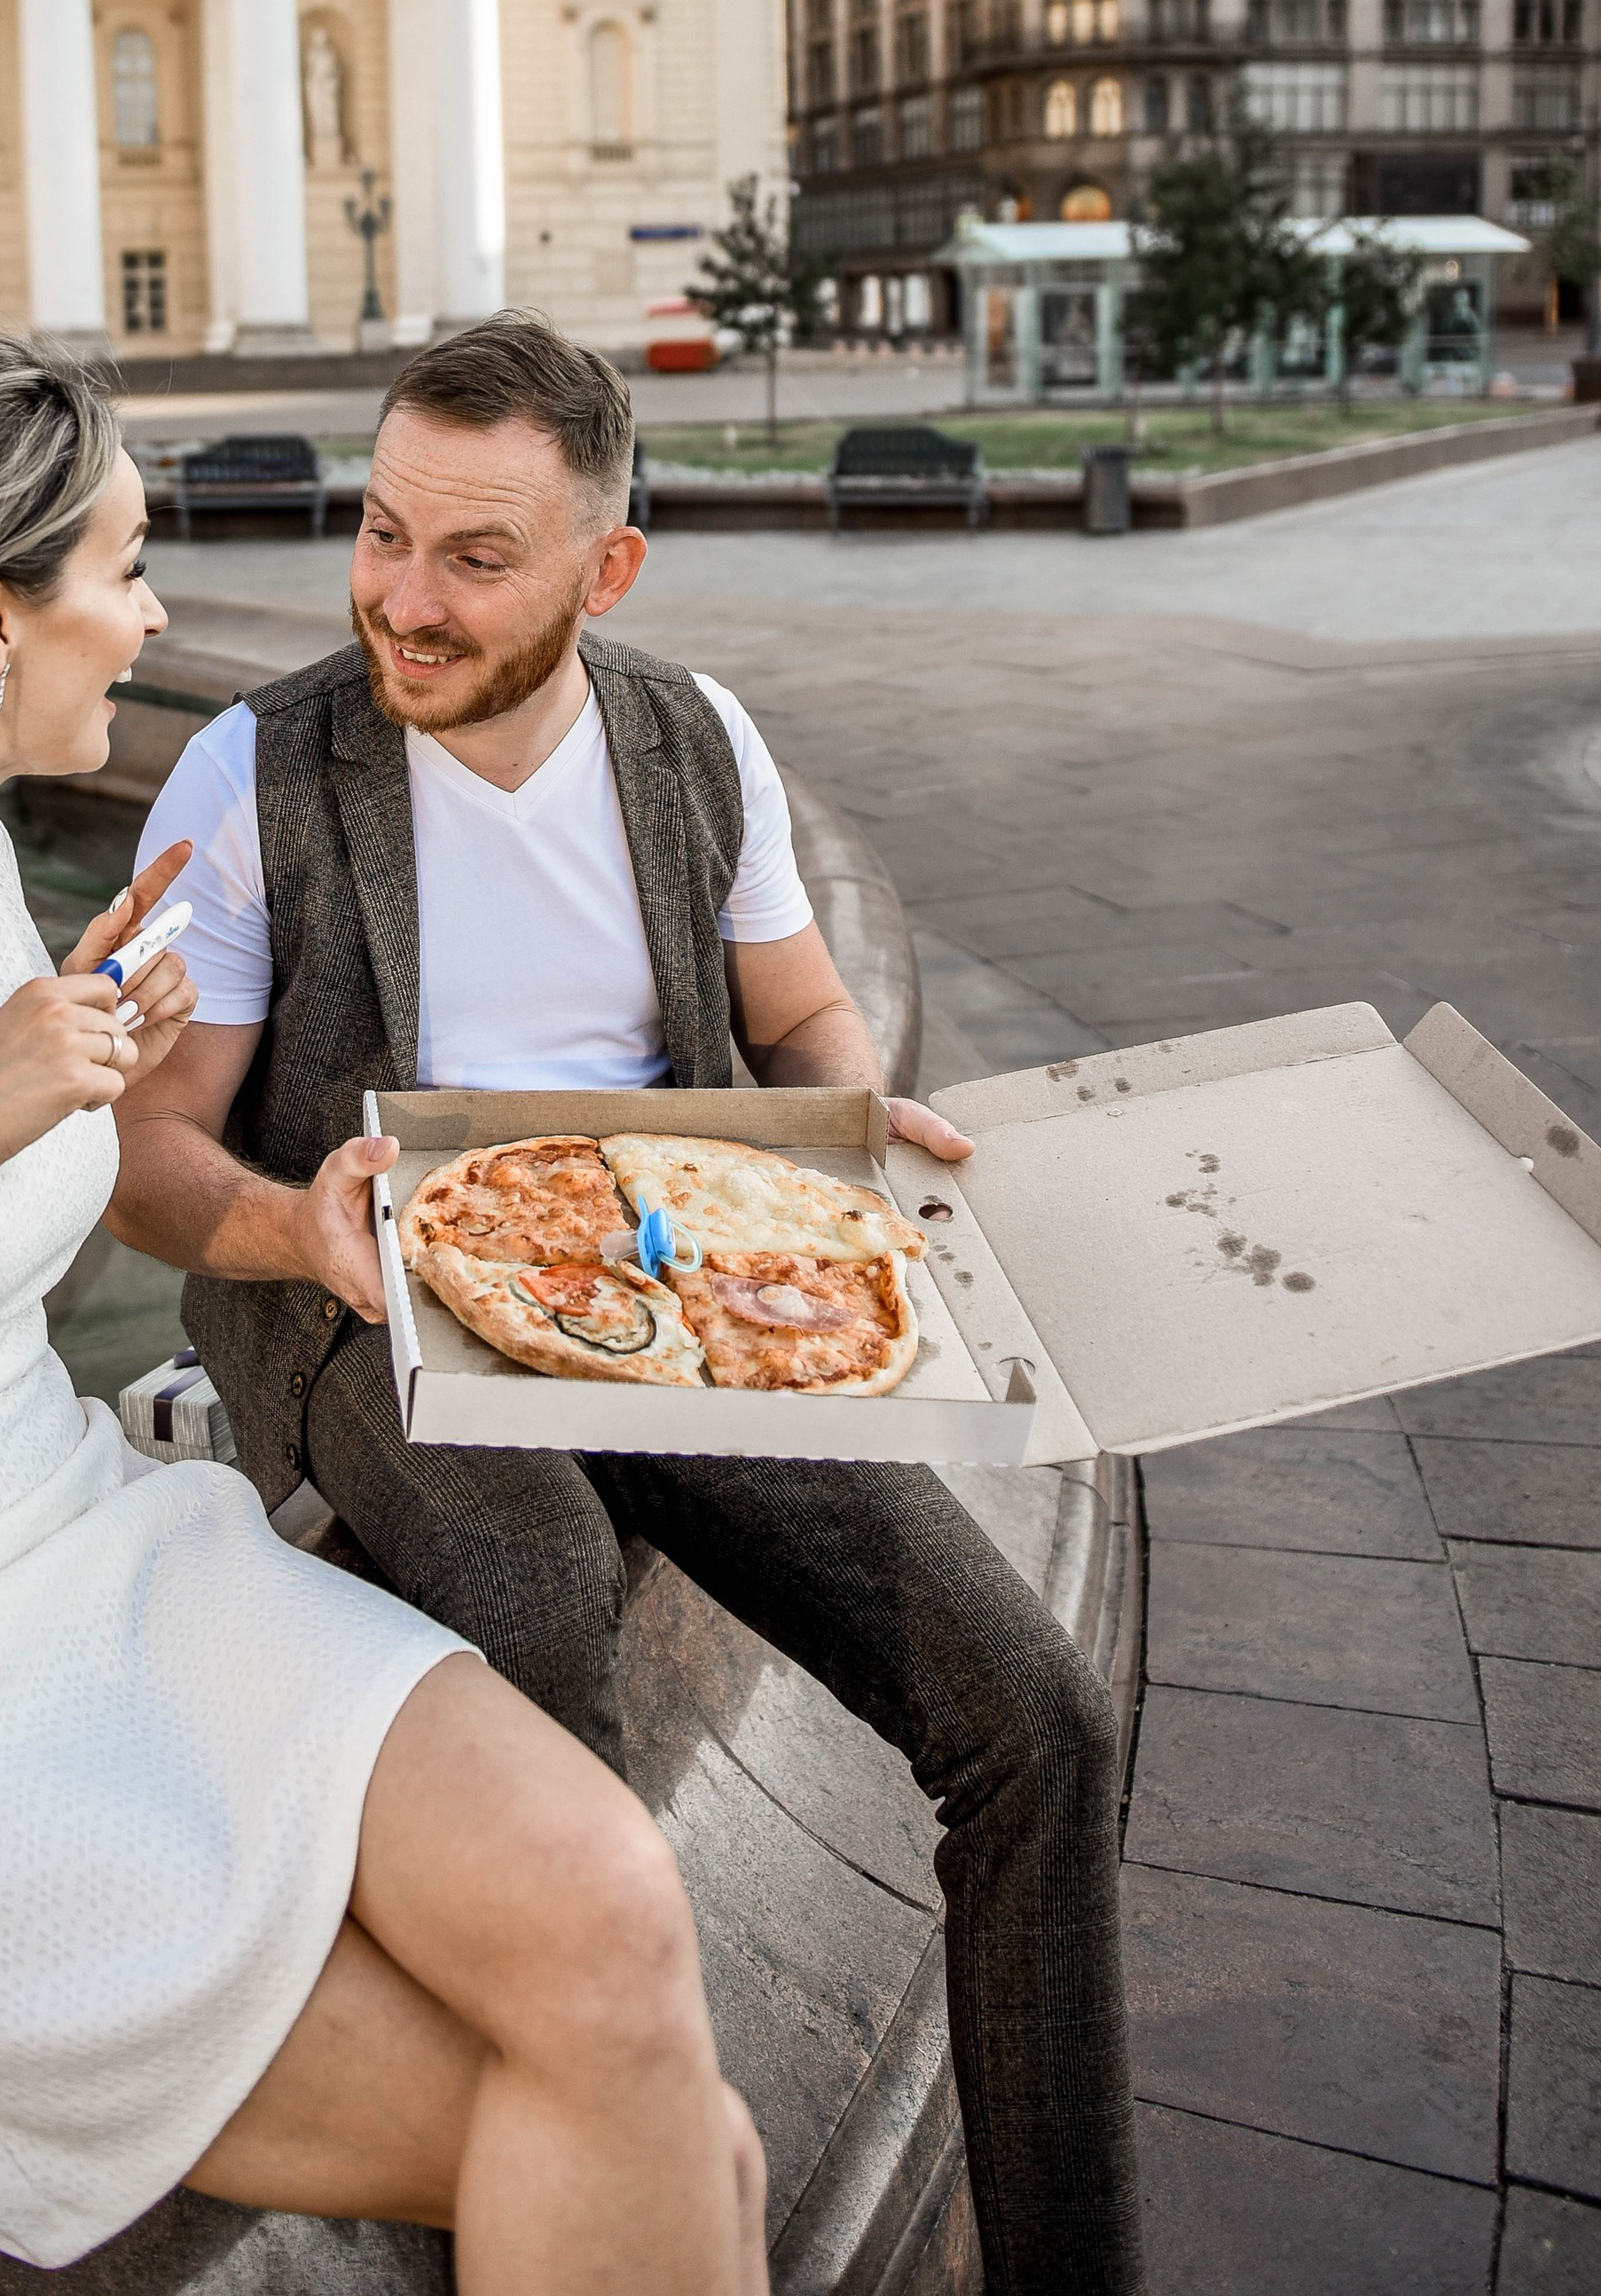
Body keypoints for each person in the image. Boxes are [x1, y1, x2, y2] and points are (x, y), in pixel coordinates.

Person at [0, 334, 766, 2290]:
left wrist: (69, 1081)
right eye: (126, 567)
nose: (156, 616)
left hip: (93, 1554)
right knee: (663, 2127)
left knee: (616, 1904)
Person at [122, 311, 1146, 2296]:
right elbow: (148, 1153)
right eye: (383, 531)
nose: (400, 599)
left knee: (1037, 1718)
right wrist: (296, 1230)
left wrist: (853, 1120)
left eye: (473, 557)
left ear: (605, 569)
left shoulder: (692, 735)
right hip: (373, 1301)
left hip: (663, 1276)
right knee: (531, 1611)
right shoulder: (252, 771)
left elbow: (796, 1012)